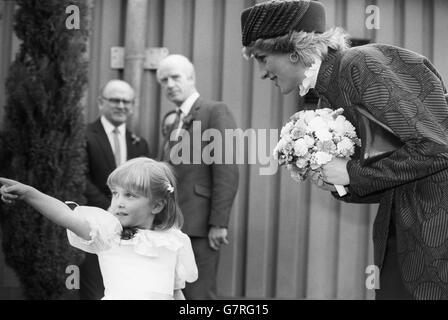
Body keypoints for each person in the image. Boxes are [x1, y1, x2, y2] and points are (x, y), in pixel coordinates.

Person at [240, 0, 448, 300]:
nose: (262, 72)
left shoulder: (361, 64)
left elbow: (437, 147)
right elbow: (397, 172)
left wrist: (350, 173)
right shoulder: (328, 90)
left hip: (434, 240)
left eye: (262, 57)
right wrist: (339, 184)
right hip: (404, 237)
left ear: (293, 50)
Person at [0, 158, 198, 300]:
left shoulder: (173, 241)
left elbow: (175, 292)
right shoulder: (108, 234)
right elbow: (65, 215)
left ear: (157, 205)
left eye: (129, 195)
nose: (118, 202)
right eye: (115, 194)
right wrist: (29, 193)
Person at [156, 54, 239, 299]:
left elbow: (226, 170)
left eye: (175, 77)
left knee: (198, 295)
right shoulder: (175, 121)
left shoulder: (215, 111)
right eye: (163, 80)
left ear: (191, 78)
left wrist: (218, 223)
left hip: (201, 226)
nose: (169, 84)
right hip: (173, 225)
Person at [83, 79, 150, 299]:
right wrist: (114, 210)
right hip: (95, 226)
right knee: (94, 290)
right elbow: (79, 178)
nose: (121, 105)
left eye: (126, 101)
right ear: (101, 102)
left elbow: (145, 186)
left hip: (129, 233)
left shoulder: (140, 143)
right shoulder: (83, 136)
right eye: (115, 100)